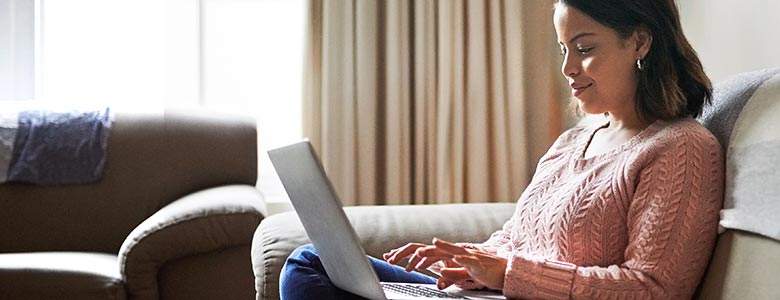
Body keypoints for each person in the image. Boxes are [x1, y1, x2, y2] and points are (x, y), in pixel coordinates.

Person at [280, 0, 724, 299]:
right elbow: (517, 238)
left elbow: (651, 288)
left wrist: (509, 274)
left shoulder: (680, 148)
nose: (568, 69)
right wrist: (467, 261)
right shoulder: (571, 141)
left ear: (640, 43)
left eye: (584, 48)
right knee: (310, 262)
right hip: (491, 296)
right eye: (563, 49)